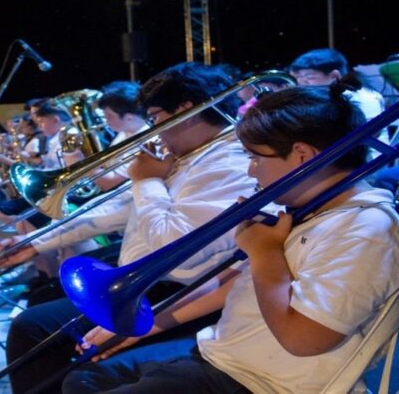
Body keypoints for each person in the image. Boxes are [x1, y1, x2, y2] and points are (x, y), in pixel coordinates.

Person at [63, 84, 399, 394]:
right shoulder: (308, 206)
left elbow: (304, 339)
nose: (250, 171)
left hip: (261, 382)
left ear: (302, 155)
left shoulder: (365, 229)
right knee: (82, 379)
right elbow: (231, 284)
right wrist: (142, 326)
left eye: (255, 157)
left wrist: (265, 252)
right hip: (224, 352)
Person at [3, 62, 257, 394]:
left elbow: (174, 248)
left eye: (156, 117)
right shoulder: (187, 154)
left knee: (38, 331)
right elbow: (116, 210)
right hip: (144, 283)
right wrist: (34, 243)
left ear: (186, 111)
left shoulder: (230, 163)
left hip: (182, 293)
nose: (152, 130)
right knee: (35, 322)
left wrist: (147, 181)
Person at [0, 80, 148, 273]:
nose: (105, 121)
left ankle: (55, 275)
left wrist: (77, 161)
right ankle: (49, 274)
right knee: (48, 221)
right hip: (106, 200)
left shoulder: (144, 139)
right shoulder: (123, 134)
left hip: (120, 209)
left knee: (53, 221)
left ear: (129, 116)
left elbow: (108, 183)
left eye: (108, 116)